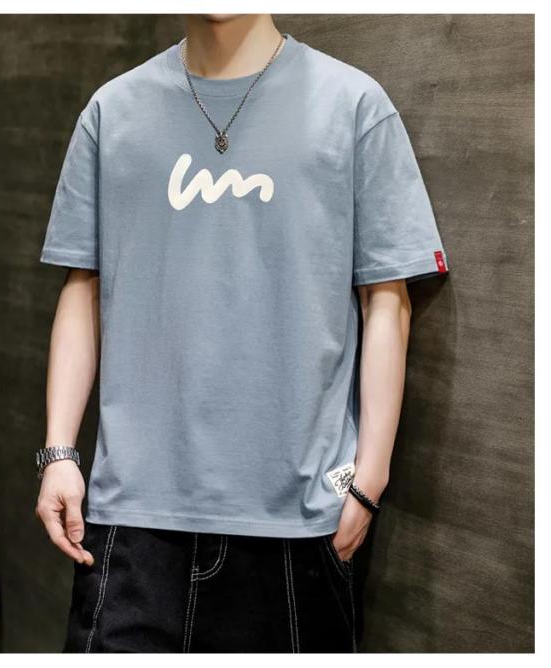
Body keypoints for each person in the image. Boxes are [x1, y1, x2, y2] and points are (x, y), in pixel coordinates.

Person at [35, 13, 449, 653]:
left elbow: (387, 301)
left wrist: (370, 480)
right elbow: (82, 287)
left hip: (298, 526)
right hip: (132, 525)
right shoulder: (112, 112)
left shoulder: (353, 105)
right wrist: (59, 453)